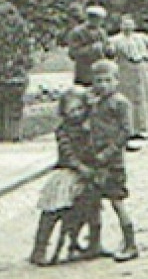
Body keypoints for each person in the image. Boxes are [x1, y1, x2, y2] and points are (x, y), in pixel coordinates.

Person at [30, 86, 99, 266]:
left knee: (88, 209)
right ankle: (39, 249)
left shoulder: (89, 127)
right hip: (68, 172)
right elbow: (67, 154)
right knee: (52, 211)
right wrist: (80, 167)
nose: (76, 114)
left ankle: (82, 243)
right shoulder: (63, 130)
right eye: (71, 111)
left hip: (86, 174)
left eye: (80, 109)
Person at [84, 60, 139, 262]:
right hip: (95, 160)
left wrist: (108, 153)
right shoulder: (94, 103)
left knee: (117, 201)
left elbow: (125, 131)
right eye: (98, 81)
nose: (103, 85)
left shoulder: (120, 103)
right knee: (93, 202)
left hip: (112, 162)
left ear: (117, 81)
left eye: (108, 80)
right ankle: (94, 243)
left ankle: (130, 243)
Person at [109, 13, 148, 144]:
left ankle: (142, 128)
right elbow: (110, 53)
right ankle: (127, 129)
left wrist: (147, 56)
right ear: (120, 26)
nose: (128, 27)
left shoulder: (140, 38)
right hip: (124, 70)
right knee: (126, 98)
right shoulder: (115, 40)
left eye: (130, 24)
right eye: (125, 24)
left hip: (139, 70)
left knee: (140, 98)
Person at [66, 5, 112, 87]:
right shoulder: (77, 32)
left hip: (100, 73)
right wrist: (91, 48)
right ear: (91, 18)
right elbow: (73, 53)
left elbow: (107, 48)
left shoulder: (102, 32)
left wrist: (109, 50)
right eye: (98, 19)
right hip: (84, 73)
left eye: (101, 20)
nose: (100, 22)